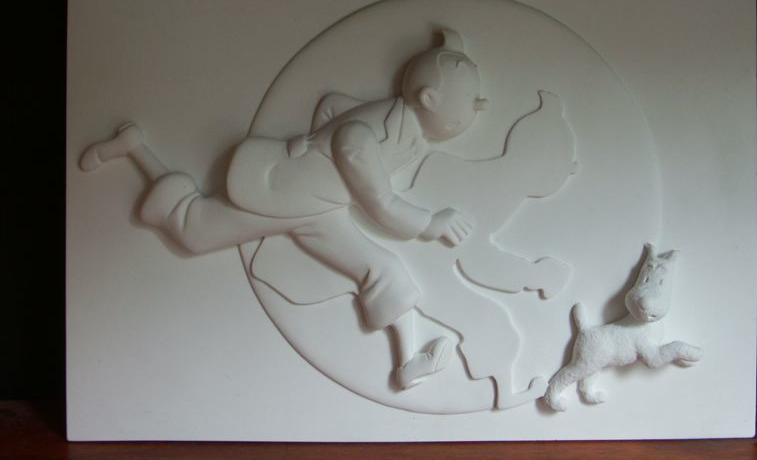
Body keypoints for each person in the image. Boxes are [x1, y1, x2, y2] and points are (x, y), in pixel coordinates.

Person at [80, 28, 489, 389]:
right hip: (285, 194)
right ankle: (132, 148)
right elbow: (379, 202)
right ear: (429, 98)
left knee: (383, 269)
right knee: (194, 231)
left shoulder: (402, 127)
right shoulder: (362, 136)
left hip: (323, 205)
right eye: (469, 100)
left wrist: (316, 143)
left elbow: (331, 106)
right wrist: (430, 223)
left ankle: (407, 363)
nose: (480, 105)